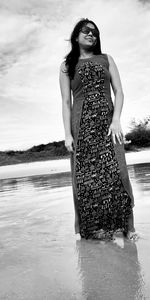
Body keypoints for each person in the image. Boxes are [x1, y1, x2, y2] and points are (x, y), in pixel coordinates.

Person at [59, 18, 139, 240]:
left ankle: (128, 228)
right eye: (86, 30)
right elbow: (66, 102)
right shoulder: (67, 65)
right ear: (76, 36)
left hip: (108, 125)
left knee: (117, 173)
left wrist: (116, 120)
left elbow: (119, 92)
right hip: (82, 128)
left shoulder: (107, 59)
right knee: (87, 180)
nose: (91, 34)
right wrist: (67, 134)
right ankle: (96, 231)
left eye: (95, 32)